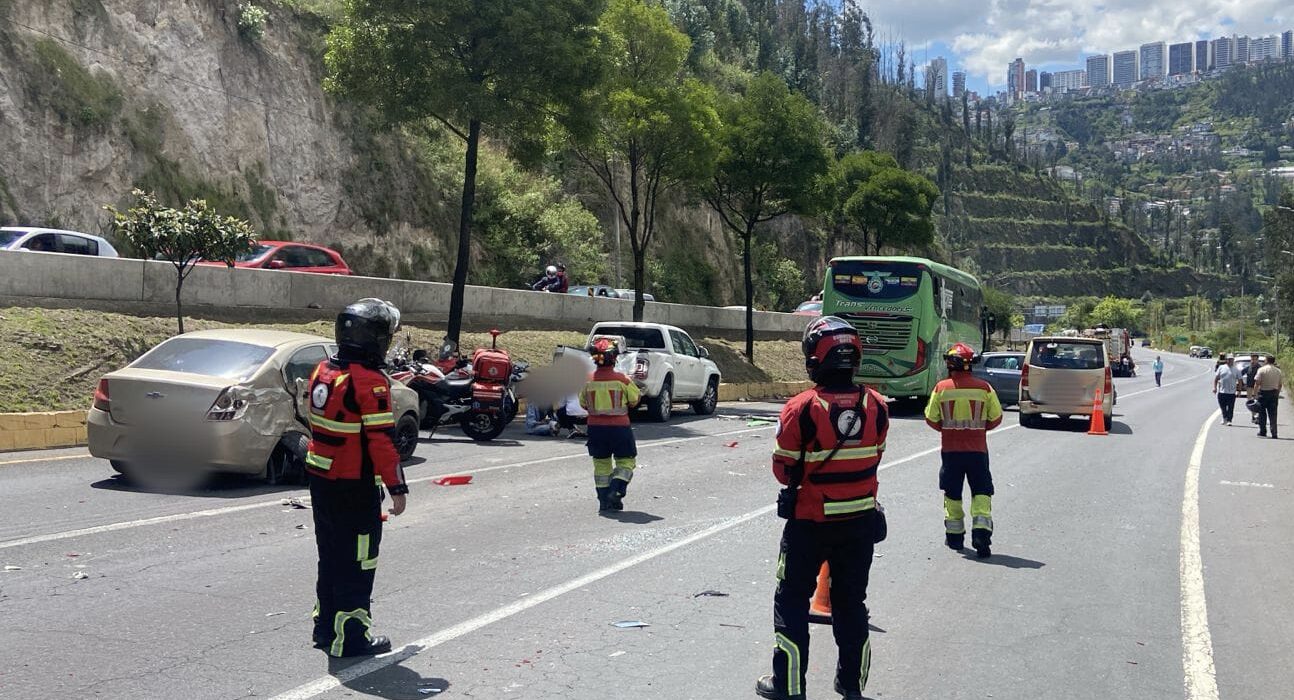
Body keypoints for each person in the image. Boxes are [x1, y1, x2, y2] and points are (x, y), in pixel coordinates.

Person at [756, 316, 889, 700]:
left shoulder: (801, 408)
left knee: (791, 601)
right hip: (860, 523)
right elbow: (875, 455)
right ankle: (851, 685)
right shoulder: (877, 405)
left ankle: (789, 685)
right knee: (852, 604)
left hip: (809, 523)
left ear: (816, 358)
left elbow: (783, 470)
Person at [303, 298, 409, 657]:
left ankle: (325, 628)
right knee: (359, 560)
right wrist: (397, 488)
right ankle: (351, 637)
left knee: (330, 556)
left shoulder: (323, 371)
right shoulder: (370, 382)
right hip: (354, 486)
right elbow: (381, 442)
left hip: (322, 480)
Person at [924, 342, 1004, 558]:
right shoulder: (984, 388)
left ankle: (954, 537)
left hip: (951, 452)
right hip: (978, 451)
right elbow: (996, 418)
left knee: (952, 493)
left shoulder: (941, 388)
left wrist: (947, 429)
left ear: (950, 364)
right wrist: (978, 430)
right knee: (981, 491)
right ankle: (981, 535)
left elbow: (931, 418)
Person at [580, 338, 641, 512]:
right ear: (614, 358)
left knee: (601, 465)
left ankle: (604, 501)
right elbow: (634, 400)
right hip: (619, 429)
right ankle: (616, 490)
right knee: (626, 461)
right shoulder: (623, 380)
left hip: (595, 429)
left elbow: (582, 403)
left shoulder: (588, 380)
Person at [1254, 355, 1283, 439]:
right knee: (1273, 414)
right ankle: (1274, 432)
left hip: (1263, 393)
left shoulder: (1261, 370)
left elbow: (1257, 383)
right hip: (1273, 393)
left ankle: (1263, 431)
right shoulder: (1278, 371)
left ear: (1266, 361)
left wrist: (1255, 394)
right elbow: (1280, 384)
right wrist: (1277, 393)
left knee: (1262, 413)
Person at [1212, 355, 1239, 426]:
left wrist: (1239, 391)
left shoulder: (1236, 369)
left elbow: (1240, 380)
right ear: (1226, 360)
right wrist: (1215, 388)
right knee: (1223, 406)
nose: (1230, 361)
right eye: (1229, 359)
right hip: (1222, 391)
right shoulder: (1221, 367)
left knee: (1230, 407)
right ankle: (1224, 417)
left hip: (1231, 392)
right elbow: (1216, 378)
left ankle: (1229, 420)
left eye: (1232, 359)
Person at [1245, 353, 1262, 424]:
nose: (1253, 361)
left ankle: (1258, 417)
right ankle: (1253, 417)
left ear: (1257, 360)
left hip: (1257, 387)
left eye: (1255, 359)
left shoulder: (1260, 368)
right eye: (1252, 359)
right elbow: (1240, 374)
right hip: (1249, 387)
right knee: (1251, 403)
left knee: (1257, 402)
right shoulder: (1248, 367)